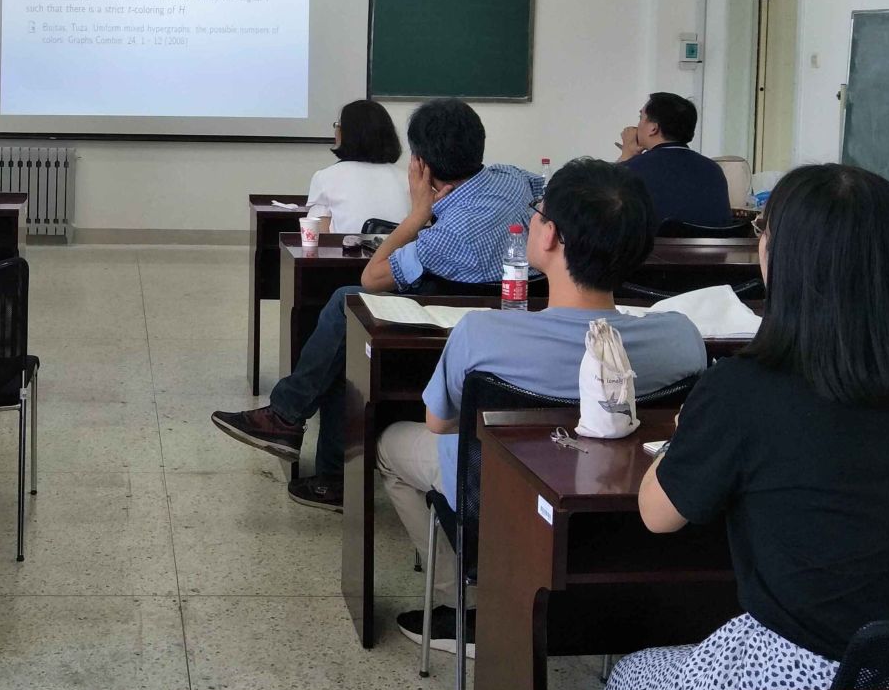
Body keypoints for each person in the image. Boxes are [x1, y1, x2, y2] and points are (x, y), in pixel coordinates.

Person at [599, 165, 889, 690]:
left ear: (783, 257)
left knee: (629, 677)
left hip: (789, 683)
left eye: (763, 228)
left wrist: (684, 435)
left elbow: (657, 514)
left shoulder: (743, 388)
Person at [379, 159, 708, 652]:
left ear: (551, 236)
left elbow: (439, 422)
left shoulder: (481, 333)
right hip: (621, 518)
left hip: (498, 497)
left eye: (537, 212)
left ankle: (466, 610)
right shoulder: (682, 339)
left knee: (390, 446)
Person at [212, 99, 543, 512]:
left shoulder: (443, 238)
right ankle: (301, 438)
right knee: (345, 326)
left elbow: (372, 277)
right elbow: (547, 191)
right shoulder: (511, 178)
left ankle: (292, 424)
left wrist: (418, 214)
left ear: (420, 163)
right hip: (504, 328)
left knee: (347, 306)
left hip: (432, 348)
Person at [615, 92, 731, 228]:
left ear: (653, 128)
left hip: (655, 242)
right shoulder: (714, 170)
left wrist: (627, 154)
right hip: (712, 243)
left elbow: (604, 208)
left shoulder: (631, 171)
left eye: (641, 117)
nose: (637, 125)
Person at [306, 99, 409, 234]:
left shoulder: (325, 177)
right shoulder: (409, 179)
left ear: (346, 134)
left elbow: (319, 237)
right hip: (402, 248)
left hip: (347, 248)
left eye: (338, 126)